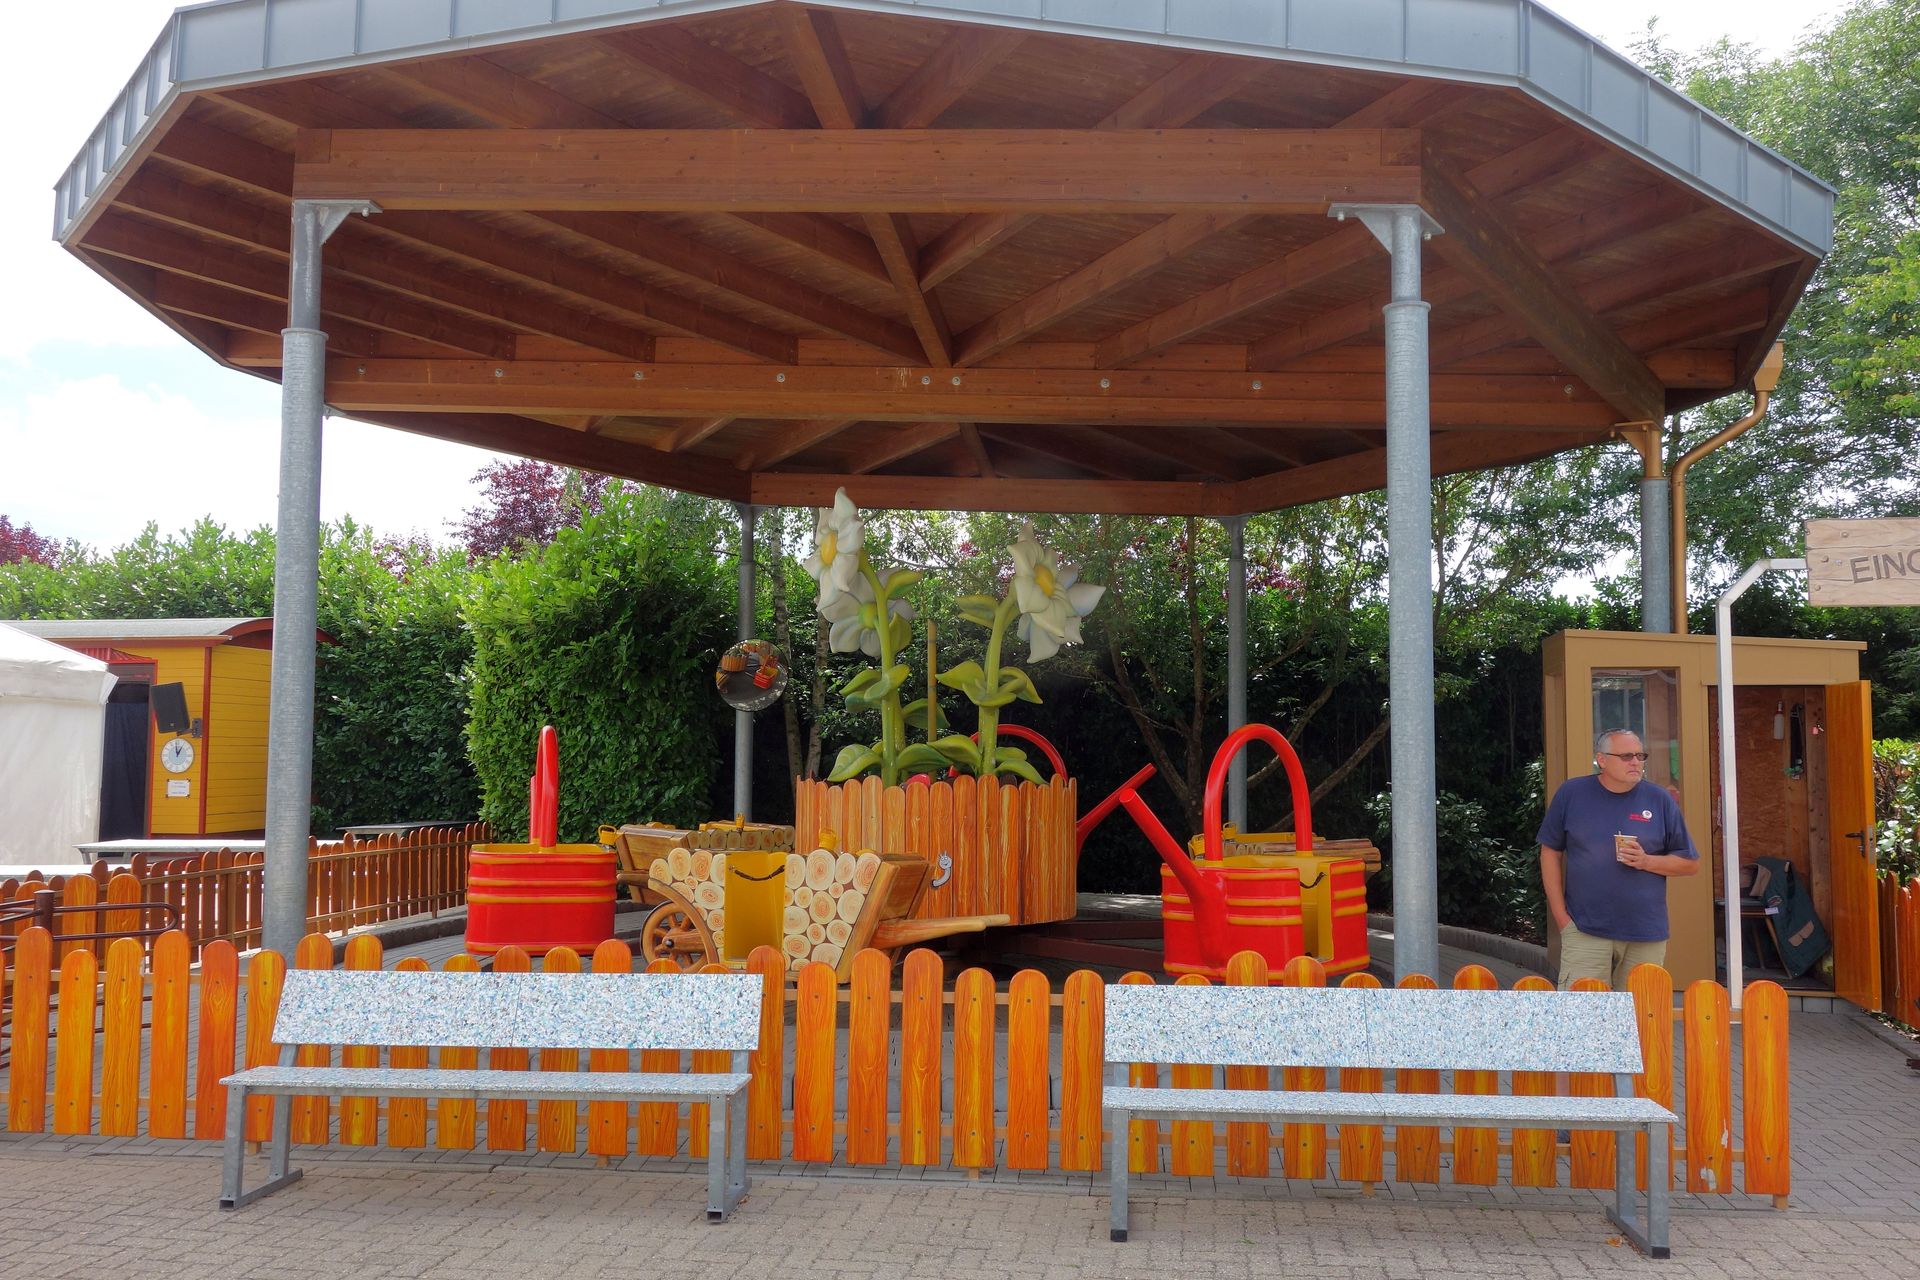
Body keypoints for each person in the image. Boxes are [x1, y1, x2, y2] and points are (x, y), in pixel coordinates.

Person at [1538, 729, 1699, 990]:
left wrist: (1646, 861)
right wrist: (1562, 918)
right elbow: (1549, 852)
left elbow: (1690, 864)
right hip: (1585, 929)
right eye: (1626, 756)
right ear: (1601, 760)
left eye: (1640, 756)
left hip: (1645, 932)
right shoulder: (1572, 793)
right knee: (1583, 1012)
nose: (1635, 762)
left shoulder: (1659, 800)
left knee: (1640, 1011)